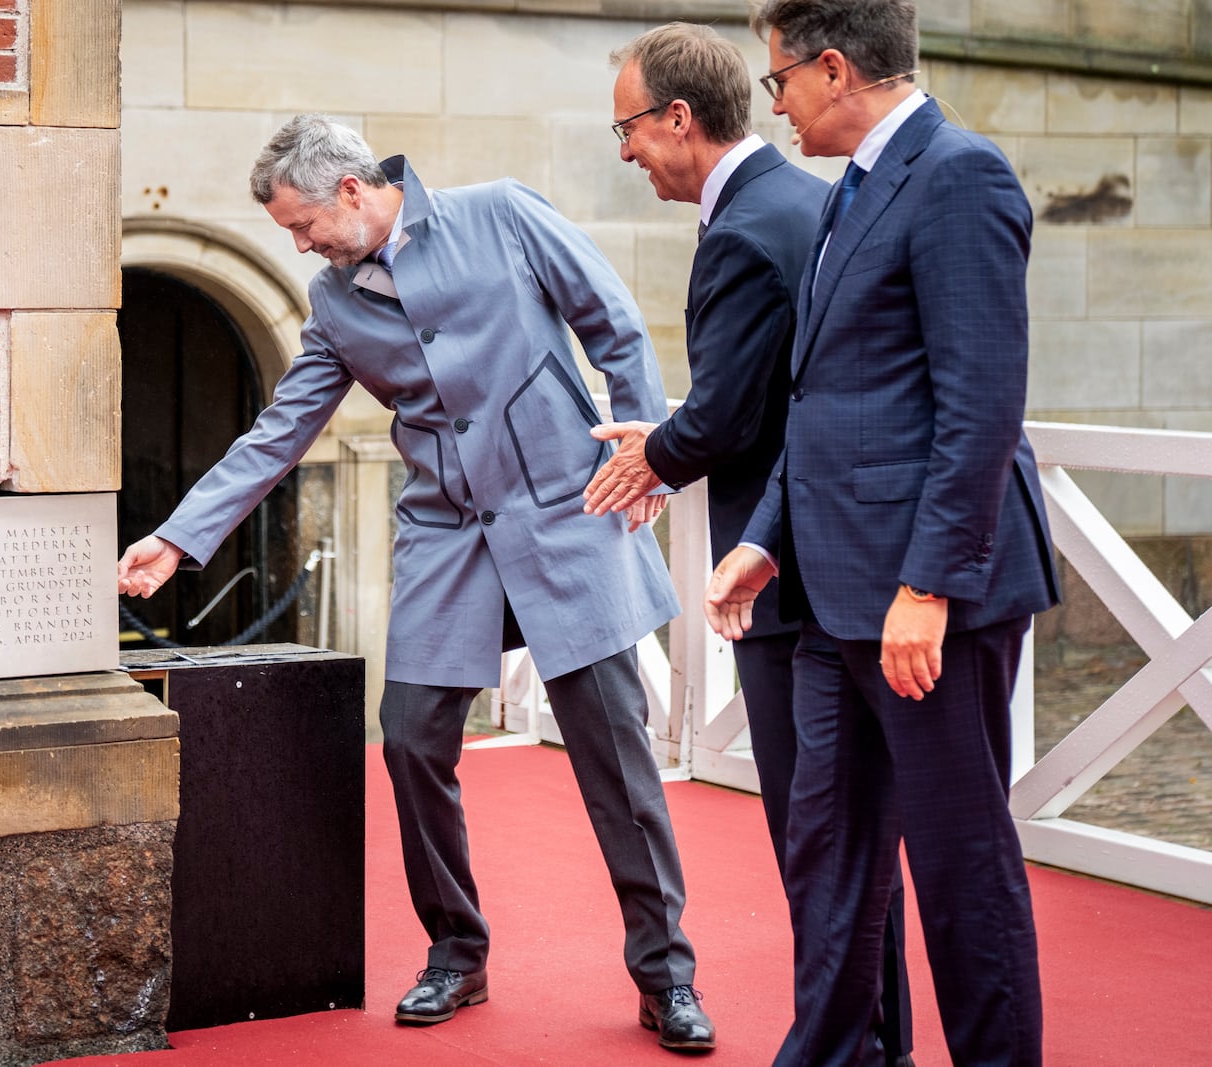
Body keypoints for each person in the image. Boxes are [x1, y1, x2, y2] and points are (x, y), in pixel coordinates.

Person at [117, 114, 716, 1051]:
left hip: (571, 511)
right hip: (446, 534)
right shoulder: (332, 300)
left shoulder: (505, 214)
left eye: (304, 223)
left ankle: (666, 973)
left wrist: (647, 453)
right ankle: (457, 950)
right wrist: (178, 537)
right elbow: (279, 431)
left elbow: (616, 325)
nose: (302, 243)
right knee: (408, 739)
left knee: (615, 753)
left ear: (352, 190)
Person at [702, 2, 1061, 1064]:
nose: (773, 106)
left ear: (830, 68)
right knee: (831, 857)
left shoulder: (960, 175)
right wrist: (763, 536)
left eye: (776, 83)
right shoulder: (849, 188)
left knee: (959, 868)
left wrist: (929, 586)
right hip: (827, 595)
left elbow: (981, 402)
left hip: (926, 604)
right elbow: (823, 402)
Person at [583, 21, 913, 1065]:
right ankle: (874, 1043)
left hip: (788, 579)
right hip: (844, 563)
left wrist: (658, 452)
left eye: (627, 130)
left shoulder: (745, 227)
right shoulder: (813, 201)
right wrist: (672, 441)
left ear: (676, 118)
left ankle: (847, 1046)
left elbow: (729, 413)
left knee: (818, 847)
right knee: (854, 849)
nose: (626, 153)